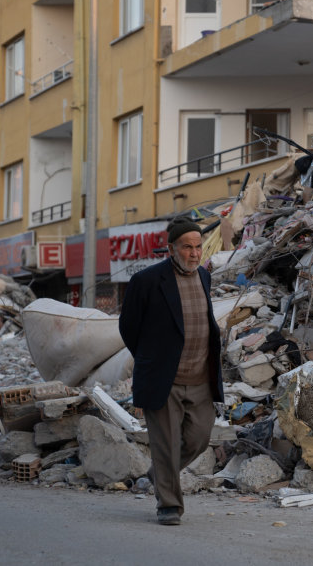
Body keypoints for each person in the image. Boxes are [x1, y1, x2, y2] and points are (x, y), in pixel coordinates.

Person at [119, 216, 222, 526]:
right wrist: (152, 359)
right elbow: (129, 327)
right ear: (172, 248)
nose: (194, 253)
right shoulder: (148, 281)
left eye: (198, 247)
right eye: (187, 247)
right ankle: (169, 505)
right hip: (166, 379)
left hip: (201, 377)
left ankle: (159, 473)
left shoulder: (204, 277)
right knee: (165, 443)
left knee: (199, 438)